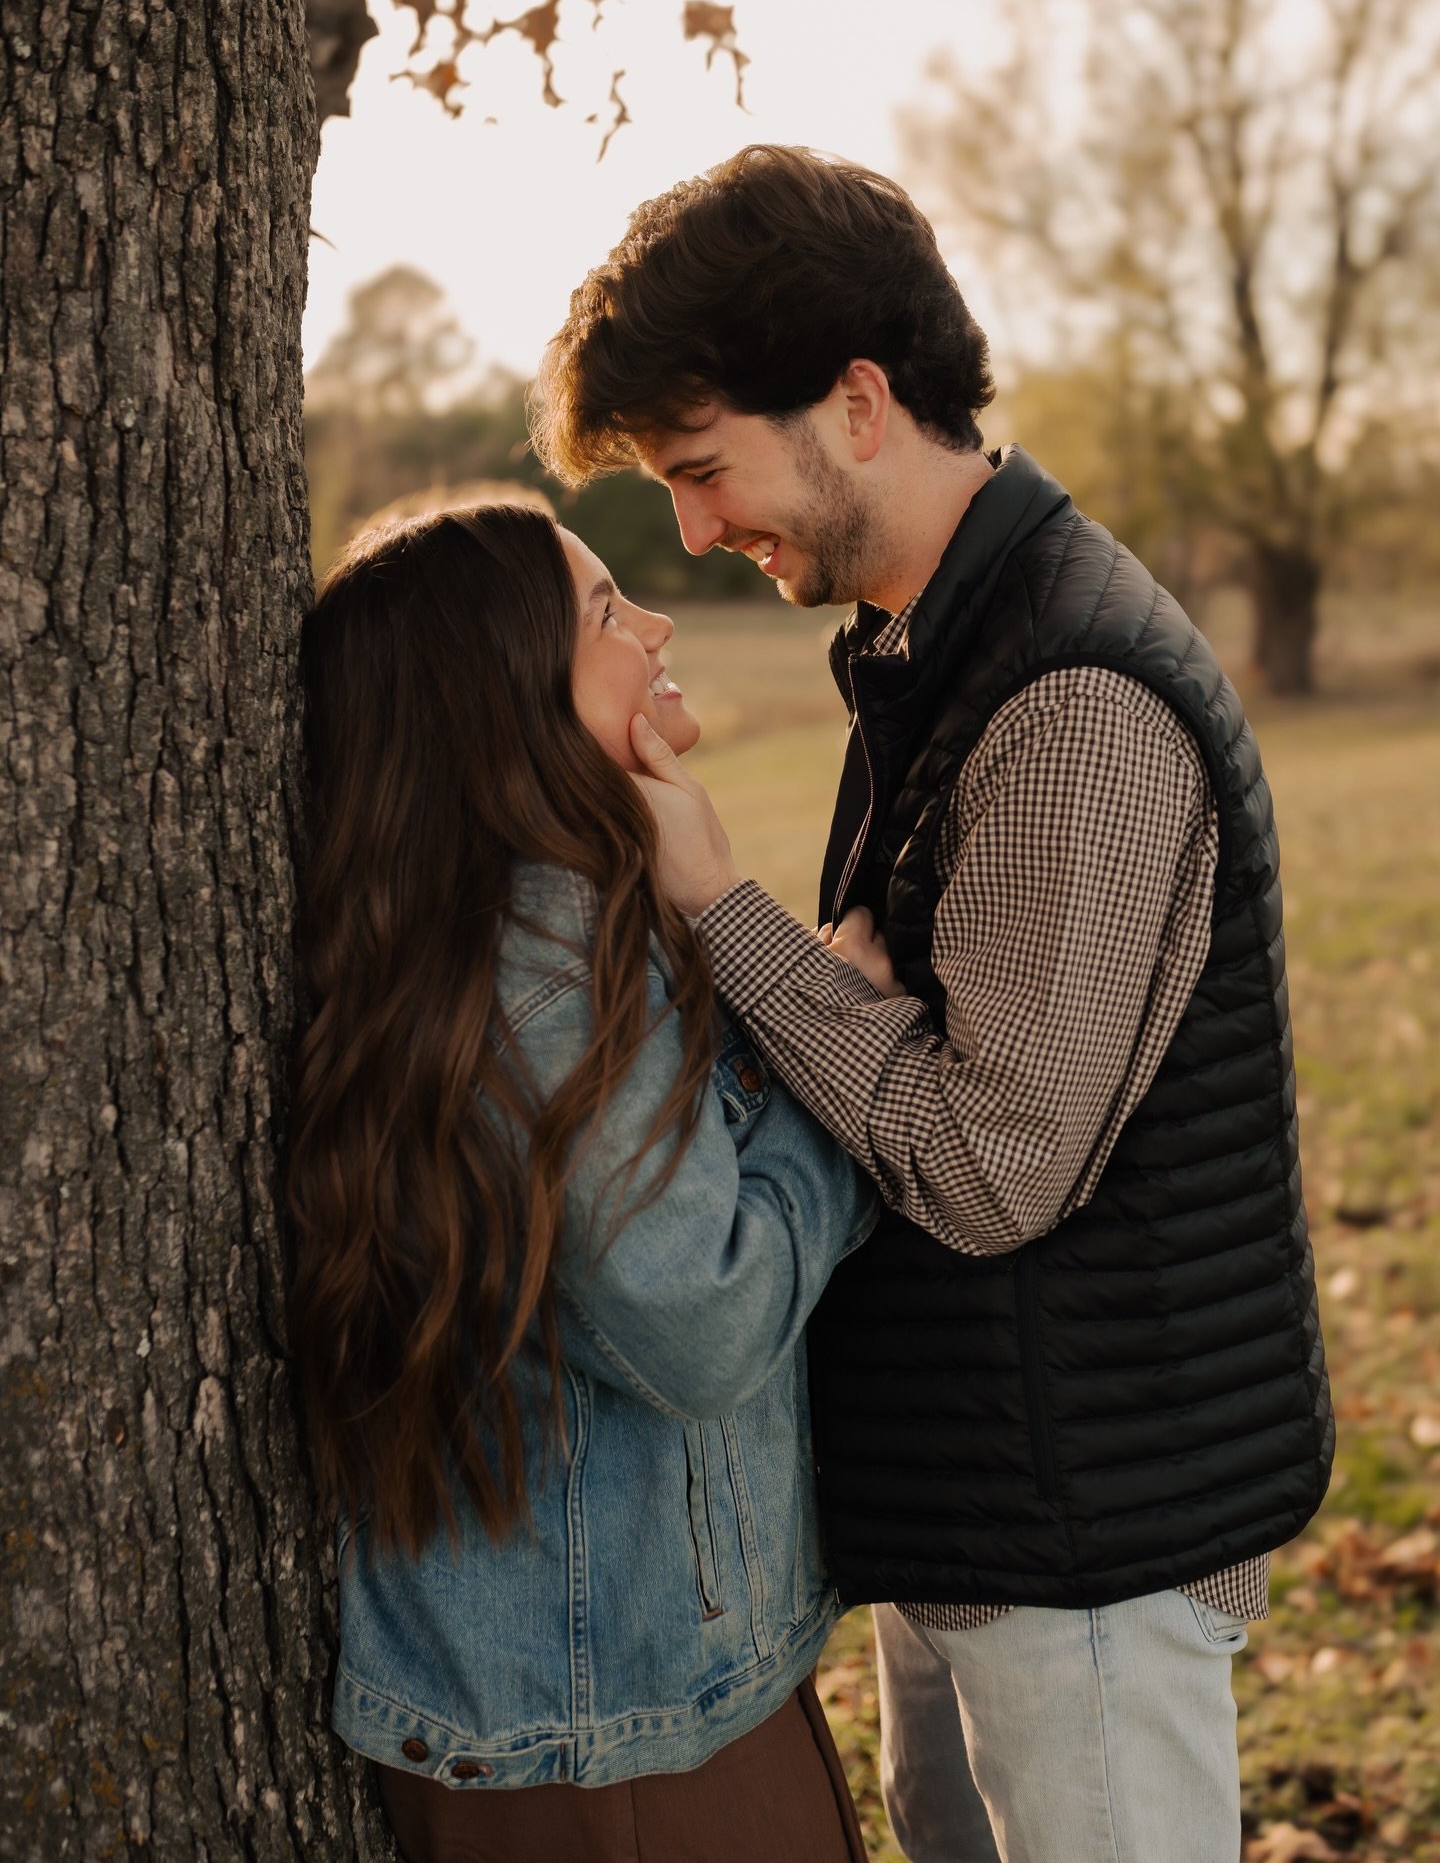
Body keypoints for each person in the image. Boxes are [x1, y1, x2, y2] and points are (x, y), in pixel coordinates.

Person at [530, 144, 1335, 1863]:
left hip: (1087, 1546)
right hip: (990, 1514)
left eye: (702, 469)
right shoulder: (944, 649)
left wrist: (723, 918)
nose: (689, 531)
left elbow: (990, 1165)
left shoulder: (1067, 697)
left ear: (859, 401)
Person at [285, 502, 878, 1863]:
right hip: (612, 1732)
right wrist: (840, 1108)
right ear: (499, 698)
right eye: (607, 612)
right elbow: (708, 1316)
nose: (656, 623)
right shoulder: (544, 970)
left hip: (611, 1697)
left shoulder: (501, 925)